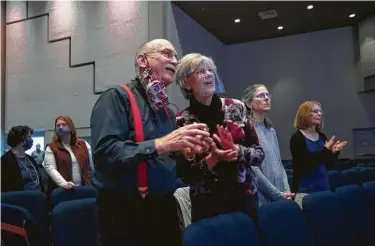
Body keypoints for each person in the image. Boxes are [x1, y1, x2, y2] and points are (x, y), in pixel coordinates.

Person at [90, 39, 210, 246]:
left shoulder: (167, 112)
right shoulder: (117, 97)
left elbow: (172, 167)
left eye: (176, 57)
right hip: (124, 214)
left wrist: (189, 153)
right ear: (142, 60)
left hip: (164, 209)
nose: (175, 61)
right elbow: (105, 154)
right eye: (167, 53)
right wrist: (161, 144)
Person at [174, 53, 264, 222]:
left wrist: (237, 151)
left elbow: (259, 154)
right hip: (208, 205)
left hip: (244, 198)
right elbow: (184, 174)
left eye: (210, 70)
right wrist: (212, 159)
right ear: (186, 83)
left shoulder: (236, 107)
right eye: (200, 71)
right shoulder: (182, 122)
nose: (209, 74)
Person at [242, 84, 294, 206]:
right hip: (261, 198)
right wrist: (277, 194)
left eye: (267, 95)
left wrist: (286, 191)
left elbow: (279, 164)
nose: (266, 98)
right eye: (261, 95)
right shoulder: (246, 129)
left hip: (280, 195)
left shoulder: (271, 131)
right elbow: (254, 170)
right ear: (249, 103)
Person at [290, 101, 347, 205]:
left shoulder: (322, 136)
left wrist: (333, 153)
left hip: (324, 187)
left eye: (320, 112)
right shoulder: (297, 138)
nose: (320, 114)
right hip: (305, 192)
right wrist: (325, 151)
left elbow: (328, 165)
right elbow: (304, 166)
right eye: (315, 111)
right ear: (305, 114)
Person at [44, 116, 93, 195]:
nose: (60, 127)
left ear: (71, 127)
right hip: (63, 190)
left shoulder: (83, 144)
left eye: (64, 125)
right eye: (58, 125)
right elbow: (50, 168)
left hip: (84, 188)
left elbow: (92, 164)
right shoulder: (51, 147)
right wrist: (64, 184)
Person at [1, 125, 44, 193]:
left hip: (37, 198)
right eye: (29, 137)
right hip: (19, 200)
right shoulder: (5, 161)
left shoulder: (30, 159)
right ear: (21, 140)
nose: (31, 140)